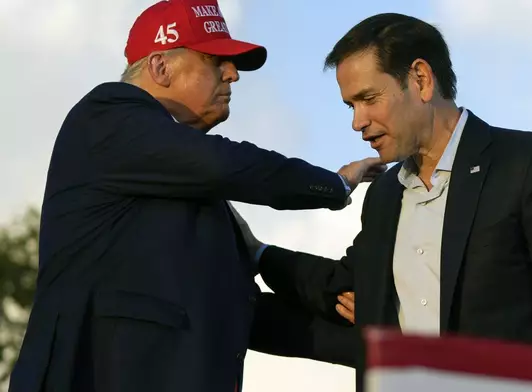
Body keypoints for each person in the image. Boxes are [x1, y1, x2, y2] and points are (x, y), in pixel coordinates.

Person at [243, 12, 532, 391]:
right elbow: (348, 290)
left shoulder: (530, 167)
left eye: (368, 98)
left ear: (421, 79)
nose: (356, 121)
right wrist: (257, 253)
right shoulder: (384, 196)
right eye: (351, 105)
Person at [7, 1, 385, 391]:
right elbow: (225, 164)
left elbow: (239, 311)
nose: (233, 74)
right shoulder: (108, 115)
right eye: (215, 60)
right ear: (160, 67)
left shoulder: (179, 182)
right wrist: (334, 185)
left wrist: (384, 345)